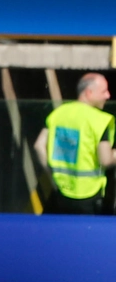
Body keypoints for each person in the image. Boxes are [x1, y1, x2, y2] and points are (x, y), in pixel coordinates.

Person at [36, 73, 115, 215]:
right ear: (89, 92)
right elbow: (106, 159)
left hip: (61, 191)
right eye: (104, 91)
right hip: (89, 195)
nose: (108, 96)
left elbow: (39, 146)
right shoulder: (99, 120)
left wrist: (52, 173)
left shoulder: (58, 113)